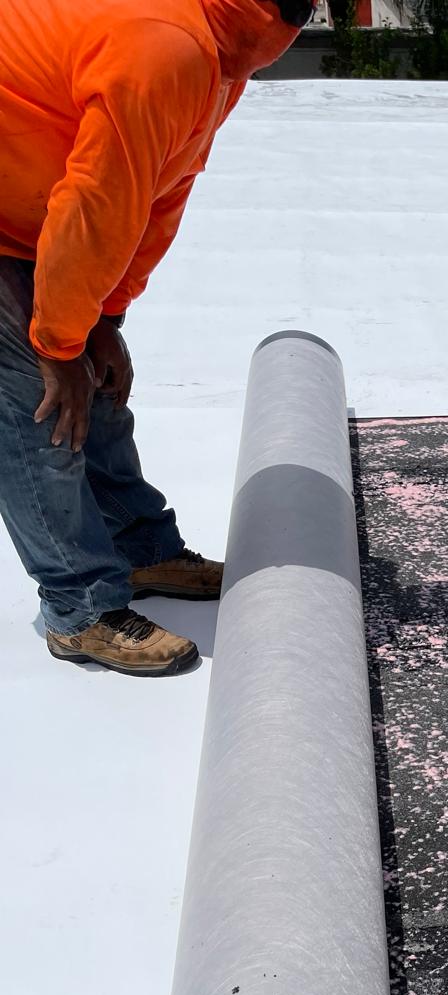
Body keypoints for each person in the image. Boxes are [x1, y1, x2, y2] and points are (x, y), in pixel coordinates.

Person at [0, 0, 311, 676]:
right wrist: (57, 346)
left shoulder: (221, 58)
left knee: (98, 390)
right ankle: (79, 609)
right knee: (40, 404)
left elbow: (160, 192)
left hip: (32, 205)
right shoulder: (165, 48)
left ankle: (138, 550)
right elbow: (96, 201)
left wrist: (105, 318)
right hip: (19, 214)